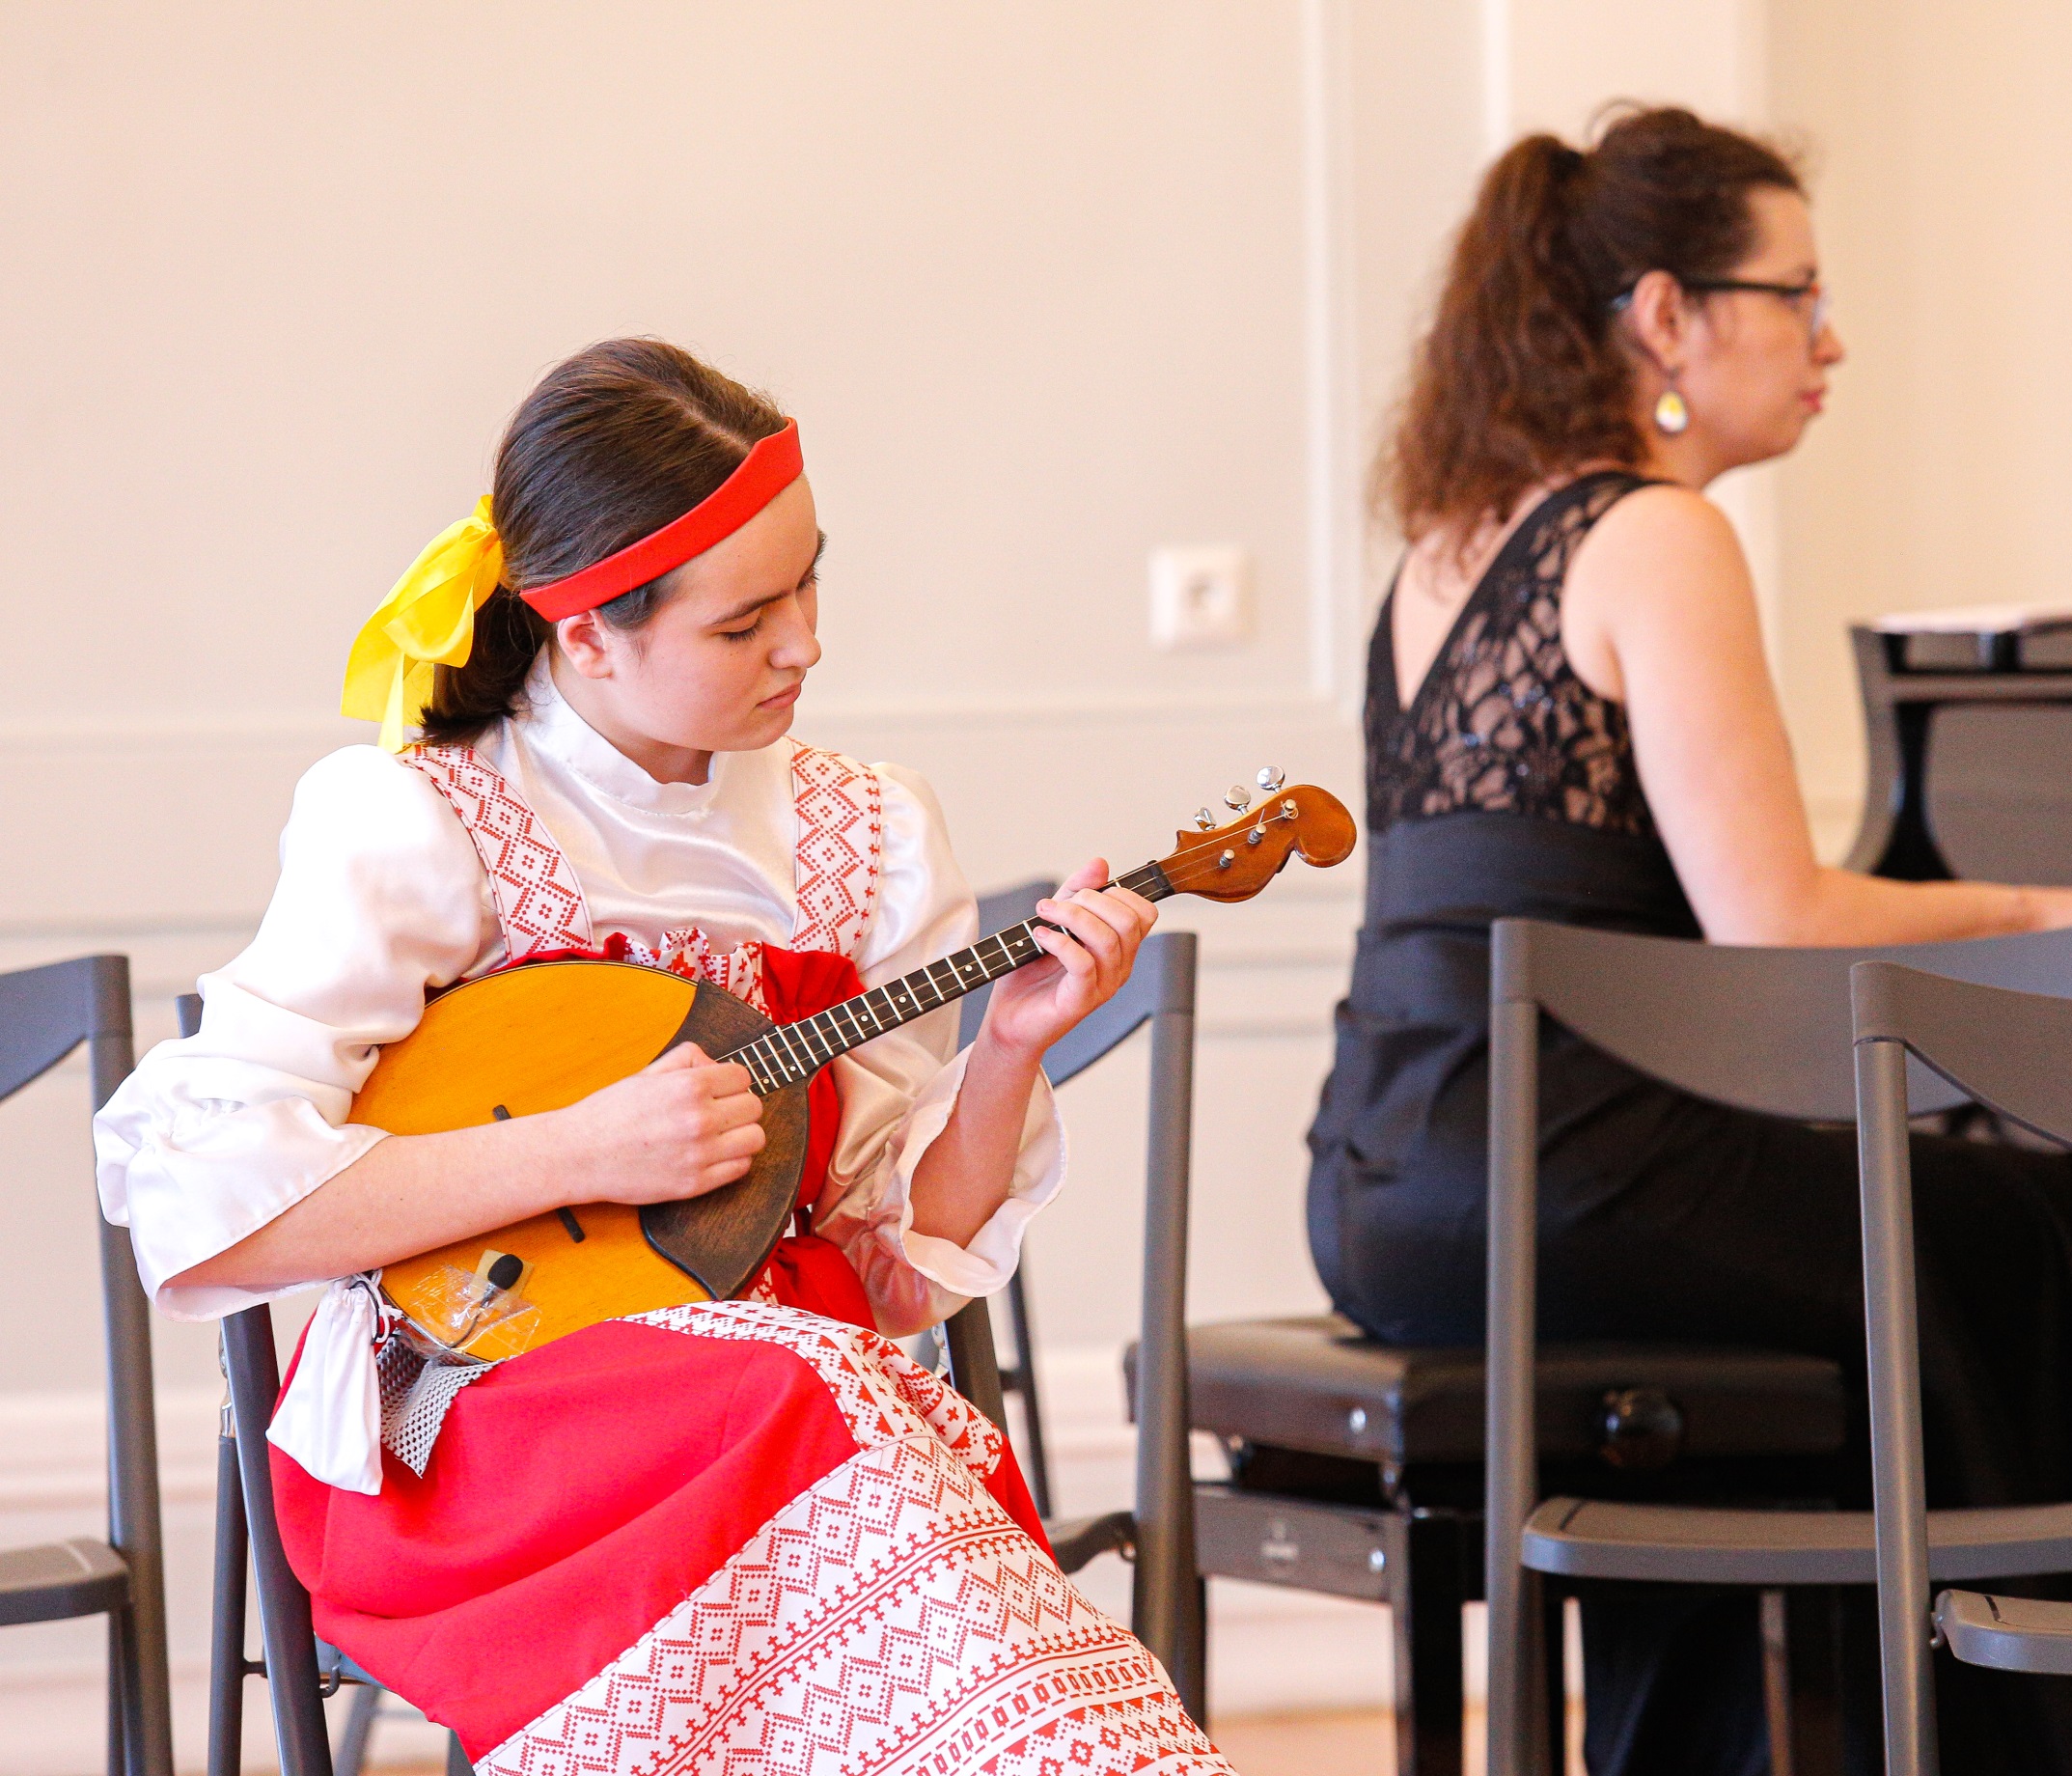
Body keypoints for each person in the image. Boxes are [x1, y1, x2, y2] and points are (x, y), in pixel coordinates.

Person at [1306, 109, 2072, 1776]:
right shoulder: (1656, 533)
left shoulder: (1452, 549)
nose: (1832, 338)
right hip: (1562, 1175)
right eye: (1796, 293)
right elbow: (1776, 922)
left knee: (1956, 1227)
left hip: (1390, 1182)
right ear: (1667, 316)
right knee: (2069, 1222)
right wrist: (2038, 911)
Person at [95, 340, 1229, 1774]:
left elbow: (899, 1266)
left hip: (804, 1398)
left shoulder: (870, 834)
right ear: (590, 638)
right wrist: (577, 1151)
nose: (804, 645)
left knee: (838, 1390)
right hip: (498, 1428)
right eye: (746, 622)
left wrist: (1010, 1050)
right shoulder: (421, 824)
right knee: (826, 1401)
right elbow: (201, 1198)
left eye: (811, 584)